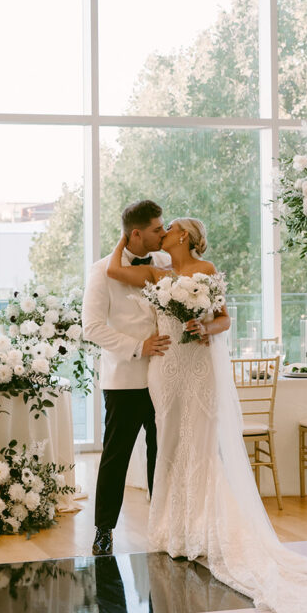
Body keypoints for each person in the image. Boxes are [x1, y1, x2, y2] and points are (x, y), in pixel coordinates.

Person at [106, 217, 307, 613]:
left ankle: (201, 530)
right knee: (170, 445)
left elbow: (224, 319)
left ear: (185, 237)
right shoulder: (159, 272)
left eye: (170, 228)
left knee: (201, 447)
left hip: (197, 368)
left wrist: (203, 326)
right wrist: (127, 229)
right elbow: (114, 270)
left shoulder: (206, 273)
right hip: (165, 370)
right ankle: (173, 529)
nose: (165, 231)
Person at [82, 199, 172, 556]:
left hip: (165, 376)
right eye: (156, 229)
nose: (162, 234)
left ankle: (163, 525)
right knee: (115, 456)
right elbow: (91, 327)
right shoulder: (101, 271)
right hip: (124, 379)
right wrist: (138, 346)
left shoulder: (165, 264)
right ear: (136, 234)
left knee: (161, 453)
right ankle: (104, 529)